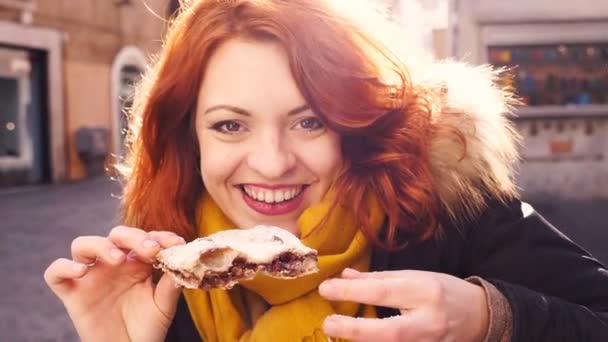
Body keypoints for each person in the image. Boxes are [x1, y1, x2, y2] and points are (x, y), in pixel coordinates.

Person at [44, 0, 608, 341]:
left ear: (355, 123)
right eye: (229, 126)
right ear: (186, 135)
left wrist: (497, 321)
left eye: (309, 122)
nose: (271, 162)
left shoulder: (455, 217)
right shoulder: (164, 273)